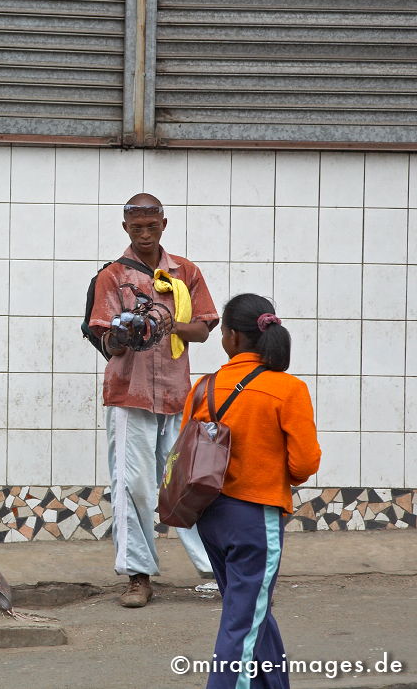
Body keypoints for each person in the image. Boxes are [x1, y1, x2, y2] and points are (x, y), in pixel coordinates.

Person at [89, 193, 219, 607]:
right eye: (136, 227)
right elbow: (107, 341)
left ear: (164, 224)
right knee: (133, 486)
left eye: (151, 226)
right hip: (130, 394)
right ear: (125, 228)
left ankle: (215, 569)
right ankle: (138, 576)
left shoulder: (186, 272)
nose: (144, 234)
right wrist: (123, 335)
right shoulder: (112, 276)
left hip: (177, 394)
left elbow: (201, 330)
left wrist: (162, 323)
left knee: (187, 483)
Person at [186, 293, 320, 689]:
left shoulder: (204, 387)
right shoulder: (287, 389)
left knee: (249, 611)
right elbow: (304, 464)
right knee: (243, 622)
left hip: (210, 517)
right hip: (255, 518)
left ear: (230, 337)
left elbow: (185, 454)